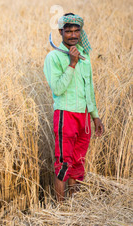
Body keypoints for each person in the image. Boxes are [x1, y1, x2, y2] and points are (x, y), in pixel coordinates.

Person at [44, 13, 104, 202]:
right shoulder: (54, 57)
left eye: (76, 31)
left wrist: (95, 116)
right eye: (68, 31)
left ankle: (74, 209)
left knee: (78, 162)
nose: (72, 35)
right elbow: (58, 88)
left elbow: (89, 88)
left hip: (84, 116)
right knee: (63, 163)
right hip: (65, 114)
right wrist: (72, 64)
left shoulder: (85, 56)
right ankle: (61, 211)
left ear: (81, 32)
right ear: (61, 32)